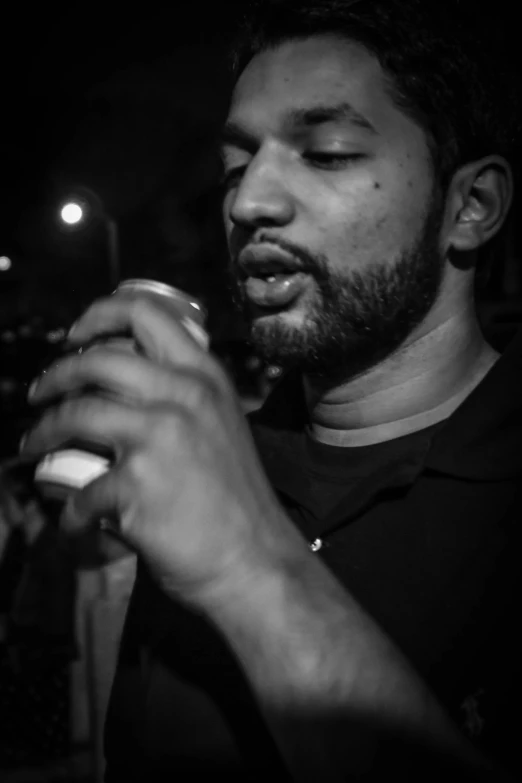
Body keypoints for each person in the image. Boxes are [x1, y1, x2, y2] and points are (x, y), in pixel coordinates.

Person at [20, 0, 521, 779]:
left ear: (470, 208)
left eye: (324, 152)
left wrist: (248, 564)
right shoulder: (195, 466)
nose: (249, 202)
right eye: (234, 167)